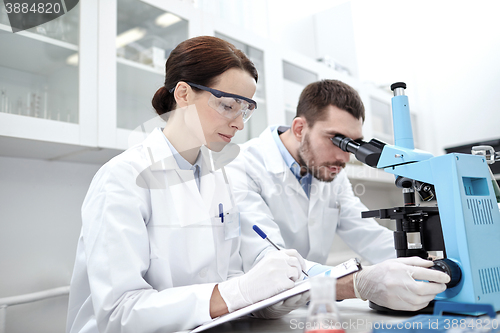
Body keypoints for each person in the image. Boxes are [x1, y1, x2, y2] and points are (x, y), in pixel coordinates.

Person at [65, 36, 308, 333]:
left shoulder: (218, 178)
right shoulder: (121, 178)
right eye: (228, 105)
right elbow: (119, 313)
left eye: (245, 109)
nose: (239, 123)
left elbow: (226, 278)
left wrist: (270, 299)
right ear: (183, 93)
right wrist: (237, 292)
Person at [225, 79, 450, 311]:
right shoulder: (242, 167)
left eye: (353, 144)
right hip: (257, 314)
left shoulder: (329, 171)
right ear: (300, 129)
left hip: (312, 308)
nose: (345, 158)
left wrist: (426, 265)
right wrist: (357, 283)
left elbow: (366, 234)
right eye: (336, 140)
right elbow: (270, 262)